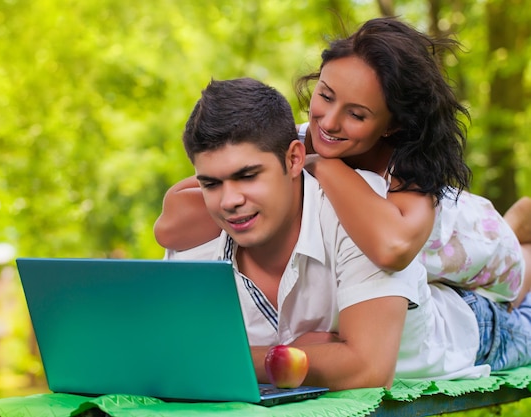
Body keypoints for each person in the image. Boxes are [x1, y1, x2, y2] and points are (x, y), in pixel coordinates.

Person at [164, 75, 531, 392]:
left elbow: (367, 369)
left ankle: (518, 238)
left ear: (293, 159)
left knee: (515, 282)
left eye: (248, 176)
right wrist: (309, 354)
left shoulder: (362, 209)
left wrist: (235, 356)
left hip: (470, 326)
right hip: (414, 264)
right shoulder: (199, 240)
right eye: (211, 183)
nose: (229, 200)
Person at [154, 16, 531, 308]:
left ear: (392, 123)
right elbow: (171, 227)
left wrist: (325, 167)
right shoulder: (295, 144)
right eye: (326, 95)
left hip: (476, 244)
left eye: (357, 114)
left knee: (515, 291)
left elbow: (394, 250)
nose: (329, 122)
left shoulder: (406, 166)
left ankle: (517, 229)